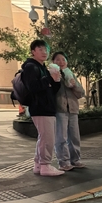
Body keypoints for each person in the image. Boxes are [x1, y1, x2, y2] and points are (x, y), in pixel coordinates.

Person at [22, 40, 63, 176]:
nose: (44, 52)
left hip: (45, 107)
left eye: (46, 49)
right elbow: (33, 87)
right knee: (47, 138)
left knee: (43, 137)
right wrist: (49, 78)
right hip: (40, 107)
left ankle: (39, 165)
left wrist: (56, 80)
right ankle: (46, 166)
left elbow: (50, 91)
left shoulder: (42, 68)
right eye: (40, 49)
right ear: (33, 51)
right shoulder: (30, 67)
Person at [51, 51, 86, 170]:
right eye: (58, 60)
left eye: (63, 59)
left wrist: (74, 84)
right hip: (60, 109)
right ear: (53, 62)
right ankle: (64, 162)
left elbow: (81, 93)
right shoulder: (52, 74)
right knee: (61, 137)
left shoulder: (70, 73)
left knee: (75, 136)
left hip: (73, 109)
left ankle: (75, 160)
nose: (61, 62)